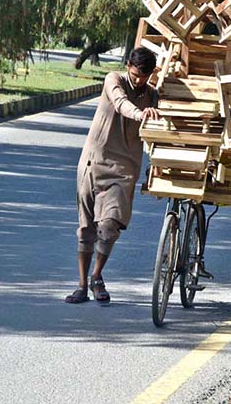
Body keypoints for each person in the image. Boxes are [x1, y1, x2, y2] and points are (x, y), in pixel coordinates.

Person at [65, 46, 160, 304]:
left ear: (152, 74)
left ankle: (97, 276)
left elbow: (159, 131)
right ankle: (83, 285)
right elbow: (120, 103)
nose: (139, 80)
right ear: (128, 66)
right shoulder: (113, 79)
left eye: (145, 76)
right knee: (86, 227)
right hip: (94, 162)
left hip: (124, 168)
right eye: (136, 74)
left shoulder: (152, 95)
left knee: (110, 224)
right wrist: (142, 114)